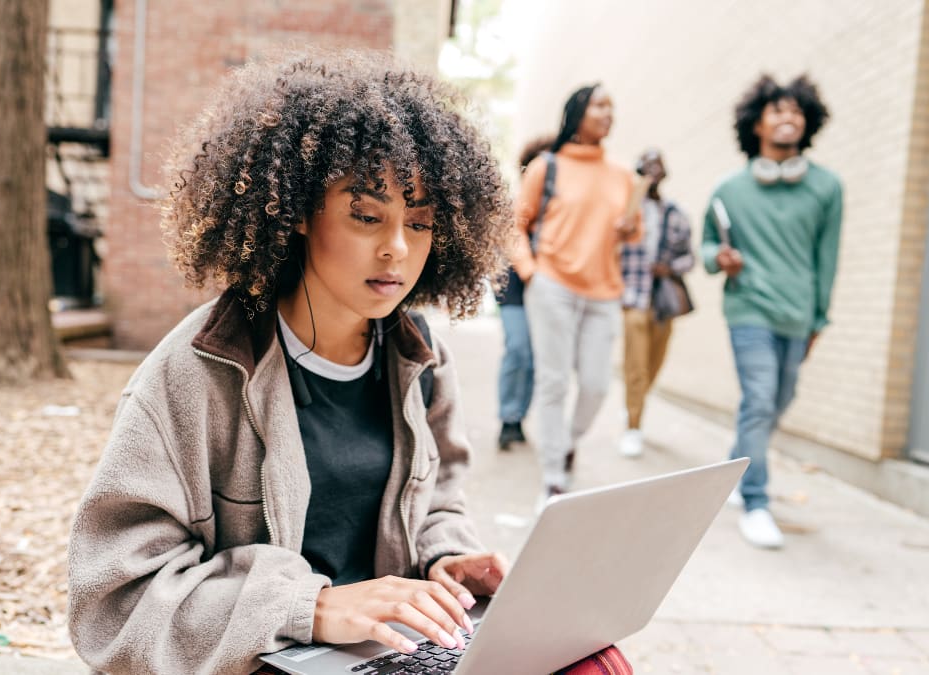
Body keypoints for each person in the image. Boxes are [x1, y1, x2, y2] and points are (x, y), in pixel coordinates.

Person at [66, 52, 631, 675]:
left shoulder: (419, 356)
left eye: (420, 224)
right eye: (367, 216)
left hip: (390, 649)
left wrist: (446, 559)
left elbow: (438, 501)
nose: (397, 248)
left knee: (596, 660)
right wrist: (309, 607)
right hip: (263, 659)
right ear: (297, 212)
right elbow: (115, 602)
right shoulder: (196, 372)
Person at [702, 74, 843, 549]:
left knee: (779, 400)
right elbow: (707, 245)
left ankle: (736, 467)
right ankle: (756, 501)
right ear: (756, 124)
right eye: (778, 110)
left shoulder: (827, 187)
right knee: (760, 401)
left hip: (797, 313)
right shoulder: (728, 189)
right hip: (749, 308)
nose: (789, 118)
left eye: (797, 112)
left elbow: (827, 258)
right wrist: (718, 258)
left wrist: (819, 319)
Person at [511, 84, 642, 503]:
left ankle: (566, 442)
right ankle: (553, 477)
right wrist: (531, 274)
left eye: (612, 106)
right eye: (599, 105)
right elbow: (515, 225)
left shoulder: (623, 175)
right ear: (578, 112)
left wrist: (629, 228)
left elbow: (633, 233)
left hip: (604, 292)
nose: (608, 113)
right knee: (553, 382)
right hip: (553, 286)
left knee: (597, 385)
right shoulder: (546, 167)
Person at [618, 148, 695, 458]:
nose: (653, 170)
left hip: (662, 301)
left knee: (654, 363)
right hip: (633, 297)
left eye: (658, 164)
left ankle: (633, 403)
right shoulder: (627, 208)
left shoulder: (676, 213)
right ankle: (633, 425)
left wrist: (670, 268)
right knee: (635, 365)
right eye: (647, 164)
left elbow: (689, 258)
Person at [494, 134, 555, 451]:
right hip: (515, 286)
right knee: (518, 347)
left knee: (534, 356)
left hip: (549, 287)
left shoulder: (559, 208)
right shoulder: (514, 206)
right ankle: (508, 417)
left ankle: (518, 418)